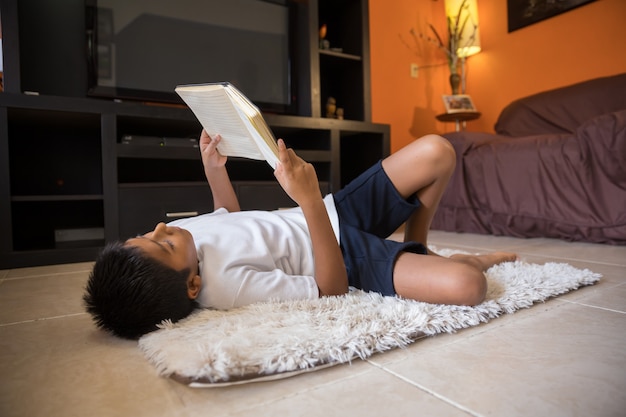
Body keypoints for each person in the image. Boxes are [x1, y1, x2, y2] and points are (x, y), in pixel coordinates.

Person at [84, 130, 517, 339]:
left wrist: (214, 170)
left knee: (438, 152)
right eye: (163, 243)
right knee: (467, 285)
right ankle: (450, 261)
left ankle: (422, 248)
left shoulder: (183, 239)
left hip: (338, 210)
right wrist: (308, 199)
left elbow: (228, 218)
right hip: (344, 255)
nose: (162, 228)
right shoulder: (230, 288)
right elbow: (332, 290)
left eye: (145, 233)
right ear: (193, 283)